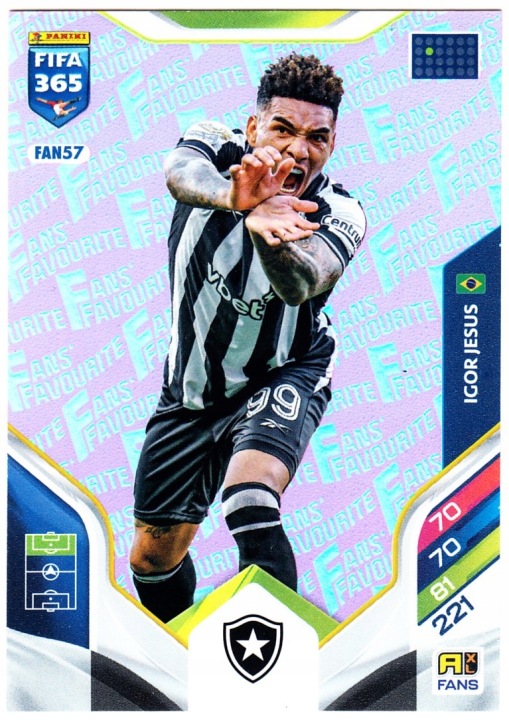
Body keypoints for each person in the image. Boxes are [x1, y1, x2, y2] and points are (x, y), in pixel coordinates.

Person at [129, 52, 367, 623]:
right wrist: (237, 200)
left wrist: (267, 235)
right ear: (254, 125)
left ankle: (281, 655)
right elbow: (178, 175)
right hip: (191, 390)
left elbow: (303, 283)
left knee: (250, 497)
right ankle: (181, 653)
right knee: (152, 559)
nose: (298, 149)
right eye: (283, 129)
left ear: (332, 144)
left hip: (286, 368)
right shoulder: (214, 145)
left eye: (317, 137)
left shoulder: (341, 210)